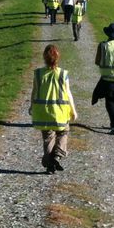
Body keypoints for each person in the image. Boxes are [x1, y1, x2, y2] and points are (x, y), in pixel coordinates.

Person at [30, 44, 77, 174]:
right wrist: (73, 110)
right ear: (57, 58)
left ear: (44, 57)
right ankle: (57, 155)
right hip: (60, 112)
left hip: (43, 112)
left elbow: (34, 92)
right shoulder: (62, 74)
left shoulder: (38, 73)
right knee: (63, 132)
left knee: (48, 138)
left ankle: (49, 165)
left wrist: (31, 106)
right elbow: (68, 93)